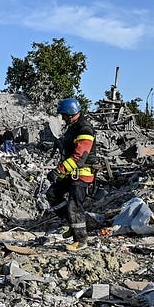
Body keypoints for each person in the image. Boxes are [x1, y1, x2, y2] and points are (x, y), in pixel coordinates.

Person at [46, 97, 97, 249]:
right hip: (71, 172)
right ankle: (72, 225)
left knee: (74, 206)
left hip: (81, 174)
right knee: (52, 195)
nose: (61, 118)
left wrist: (59, 170)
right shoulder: (73, 126)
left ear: (70, 113)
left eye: (63, 115)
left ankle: (80, 240)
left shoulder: (84, 128)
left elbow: (79, 157)